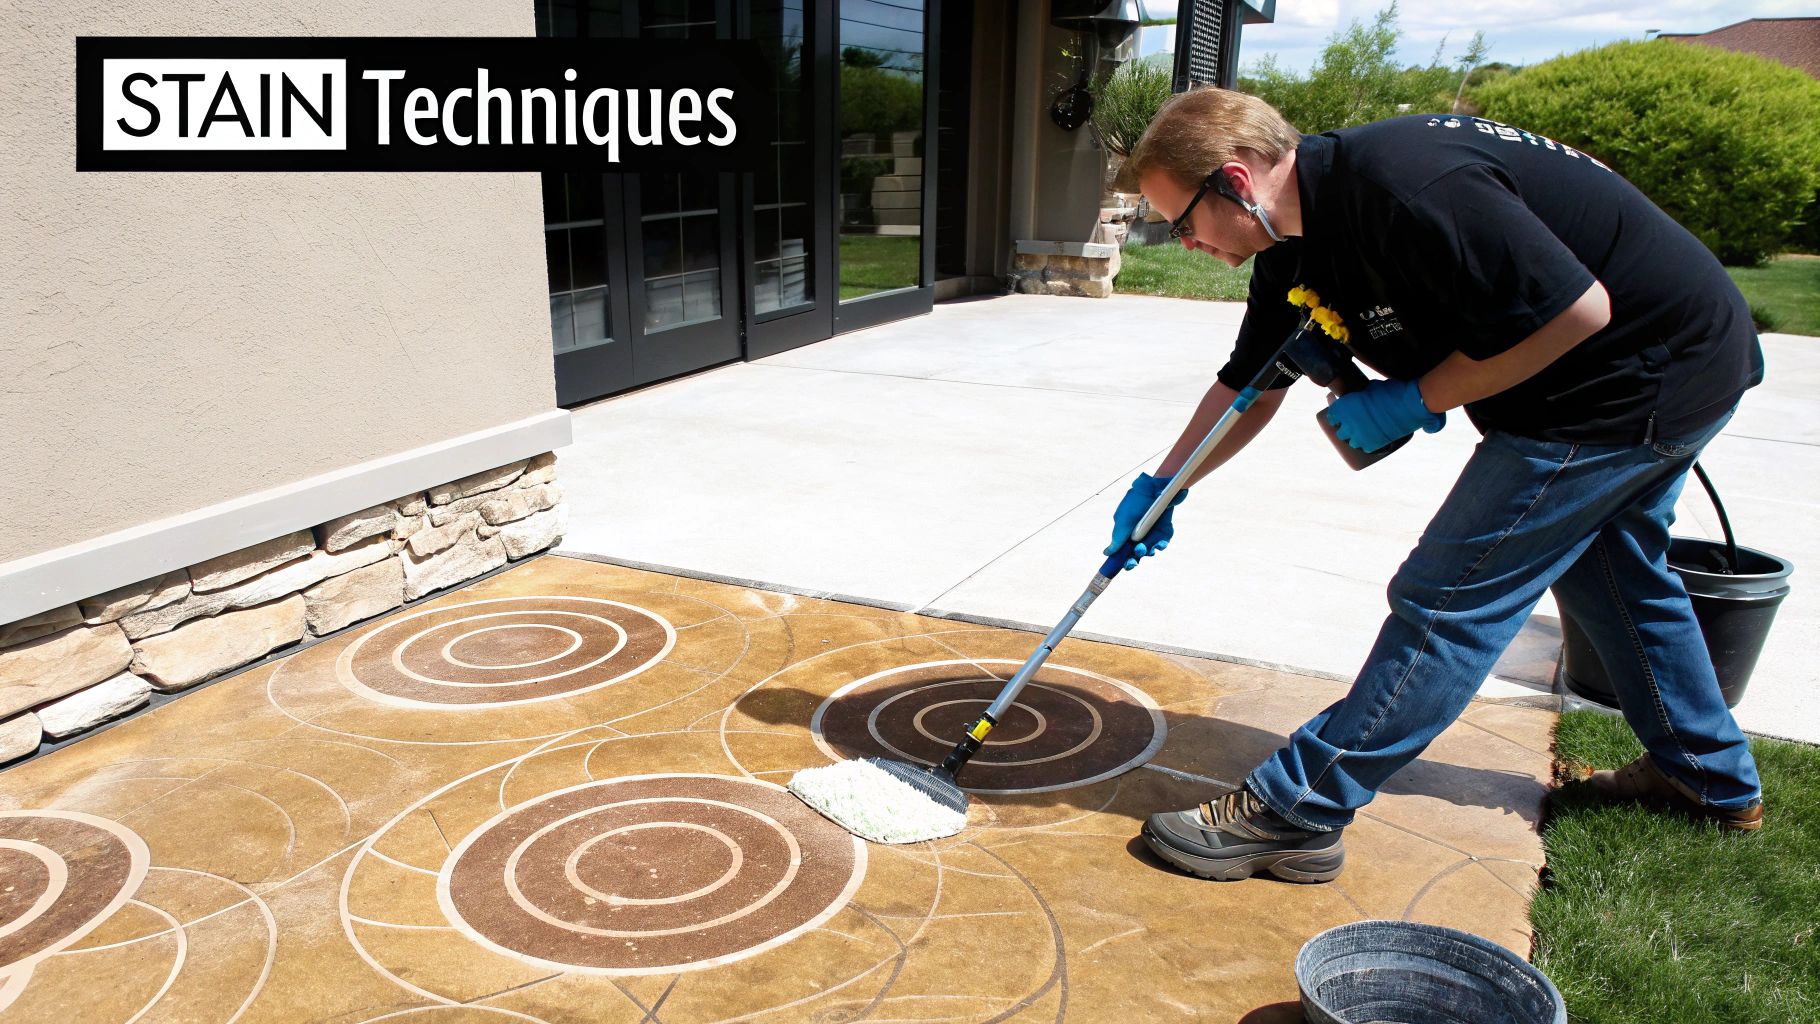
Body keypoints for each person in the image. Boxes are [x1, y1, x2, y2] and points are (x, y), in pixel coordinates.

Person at [1113, 89, 1766, 884]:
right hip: (1639, 371)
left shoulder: (1403, 183)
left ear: (1236, 181)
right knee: (1614, 575)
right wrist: (1164, 485)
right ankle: (1707, 777)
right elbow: (1249, 384)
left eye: (1181, 222)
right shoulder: (1291, 246)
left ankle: (1297, 809)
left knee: (1448, 598)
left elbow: (1578, 311)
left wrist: (1418, 396)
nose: (1181, 243)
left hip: (1633, 377)